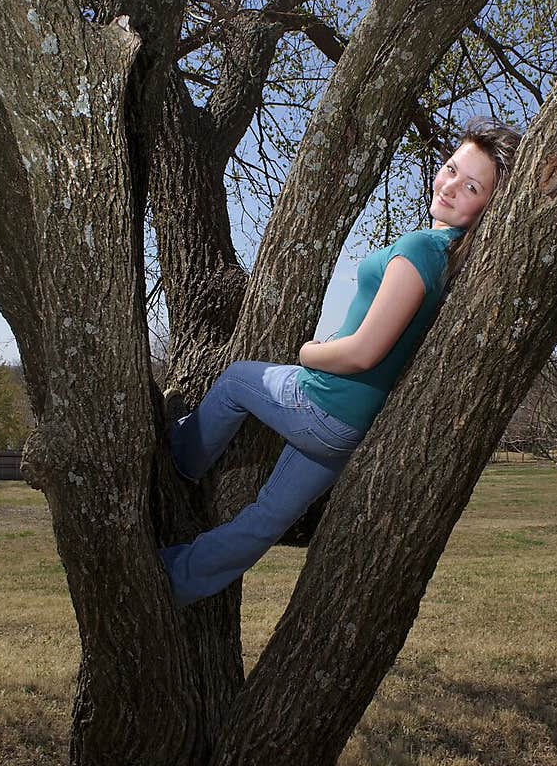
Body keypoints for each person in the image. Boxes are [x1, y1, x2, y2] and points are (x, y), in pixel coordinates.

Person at [159, 117, 522, 606]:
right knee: (267, 516)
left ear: (489, 206)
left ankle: (182, 456)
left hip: (323, 400)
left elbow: (364, 351)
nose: (452, 185)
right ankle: (176, 578)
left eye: (472, 186)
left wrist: (308, 352)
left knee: (237, 380)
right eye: (452, 169)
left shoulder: (422, 249)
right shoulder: (454, 261)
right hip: (350, 431)